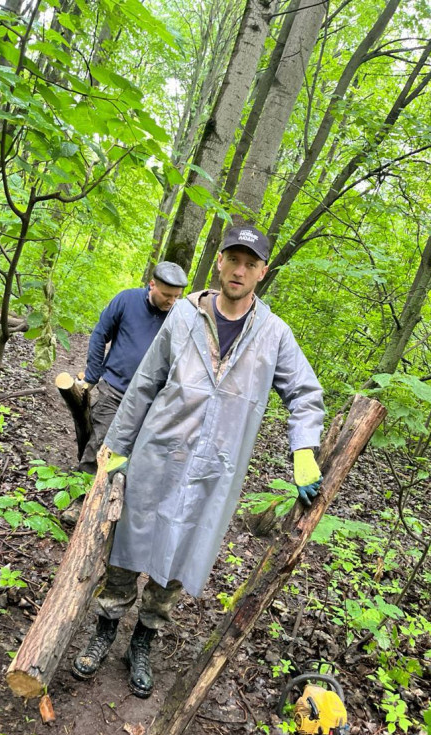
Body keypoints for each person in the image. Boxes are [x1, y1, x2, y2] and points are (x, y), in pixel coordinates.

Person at [71, 225, 325, 697]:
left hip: (214, 470)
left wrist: (304, 452)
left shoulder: (274, 334)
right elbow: (145, 382)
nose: (240, 269)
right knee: (128, 545)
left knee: (177, 554)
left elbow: (305, 395)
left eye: (251, 263)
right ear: (221, 263)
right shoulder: (185, 316)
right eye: (234, 259)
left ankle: (144, 639)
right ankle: (105, 629)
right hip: (157, 454)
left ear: (262, 272)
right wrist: (119, 447)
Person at [62, 261, 188, 524]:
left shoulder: (179, 317)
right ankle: (78, 502)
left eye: (177, 296)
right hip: (115, 390)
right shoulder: (127, 300)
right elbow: (99, 334)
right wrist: (93, 375)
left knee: (136, 455)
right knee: (99, 446)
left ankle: (117, 509)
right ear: (152, 285)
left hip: (150, 401)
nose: (171, 302)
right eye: (167, 295)